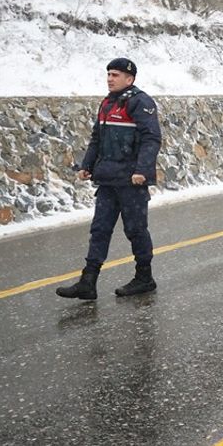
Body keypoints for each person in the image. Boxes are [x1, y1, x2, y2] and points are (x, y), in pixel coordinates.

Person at [56, 58, 163, 300]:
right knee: (100, 229)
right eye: (108, 74)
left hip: (131, 182)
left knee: (135, 230)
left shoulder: (140, 102)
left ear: (130, 78)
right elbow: (97, 139)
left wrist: (142, 171)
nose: (110, 78)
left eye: (115, 74)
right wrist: (87, 166)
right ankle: (88, 282)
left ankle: (144, 278)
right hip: (107, 180)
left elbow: (151, 139)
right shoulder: (107, 104)